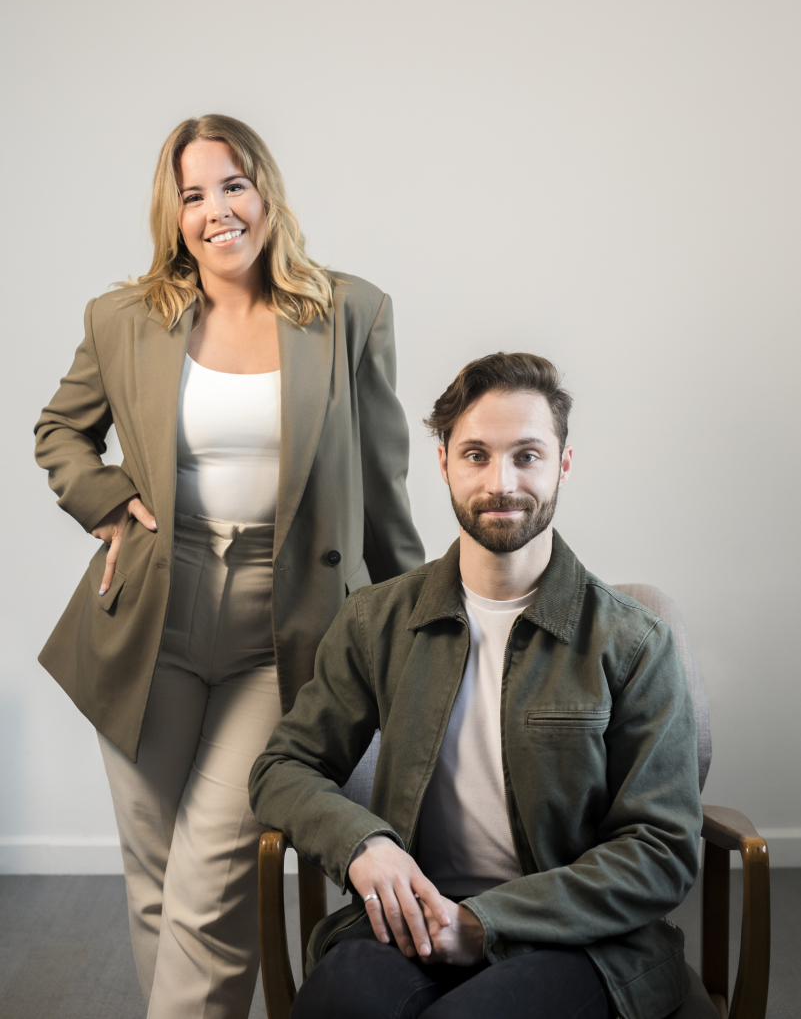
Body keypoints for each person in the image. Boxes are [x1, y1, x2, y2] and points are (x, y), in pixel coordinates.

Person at [34, 114, 423, 1019]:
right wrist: (104, 499)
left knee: (214, 879)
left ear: (267, 193)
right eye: (193, 194)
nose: (216, 210)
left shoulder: (348, 310)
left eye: (233, 185)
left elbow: (383, 486)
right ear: (173, 215)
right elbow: (61, 431)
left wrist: (416, 632)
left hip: (282, 637)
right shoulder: (124, 318)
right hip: (144, 624)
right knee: (155, 880)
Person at [248, 352, 703, 1019]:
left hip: (579, 941)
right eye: (476, 455)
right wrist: (363, 845)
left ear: (561, 465)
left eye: (526, 455)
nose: (501, 482)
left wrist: (485, 923)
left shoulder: (634, 641)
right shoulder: (376, 620)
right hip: (412, 922)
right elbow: (283, 768)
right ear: (443, 464)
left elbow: (660, 851)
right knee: (337, 1005)